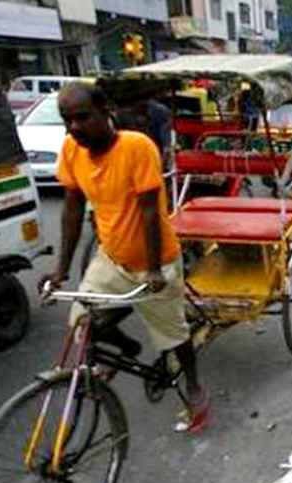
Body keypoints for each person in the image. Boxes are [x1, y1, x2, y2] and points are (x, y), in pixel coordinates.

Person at [41, 83, 210, 433]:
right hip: (112, 258)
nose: (73, 127)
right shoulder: (72, 149)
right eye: (67, 120)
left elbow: (150, 210)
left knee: (173, 336)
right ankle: (128, 347)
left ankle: (194, 387)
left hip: (156, 260)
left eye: (82, 117)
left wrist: (153, 269)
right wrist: (60, 270)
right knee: (80, 322)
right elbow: (72, 210)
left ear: (106, 111)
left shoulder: (137, 146)